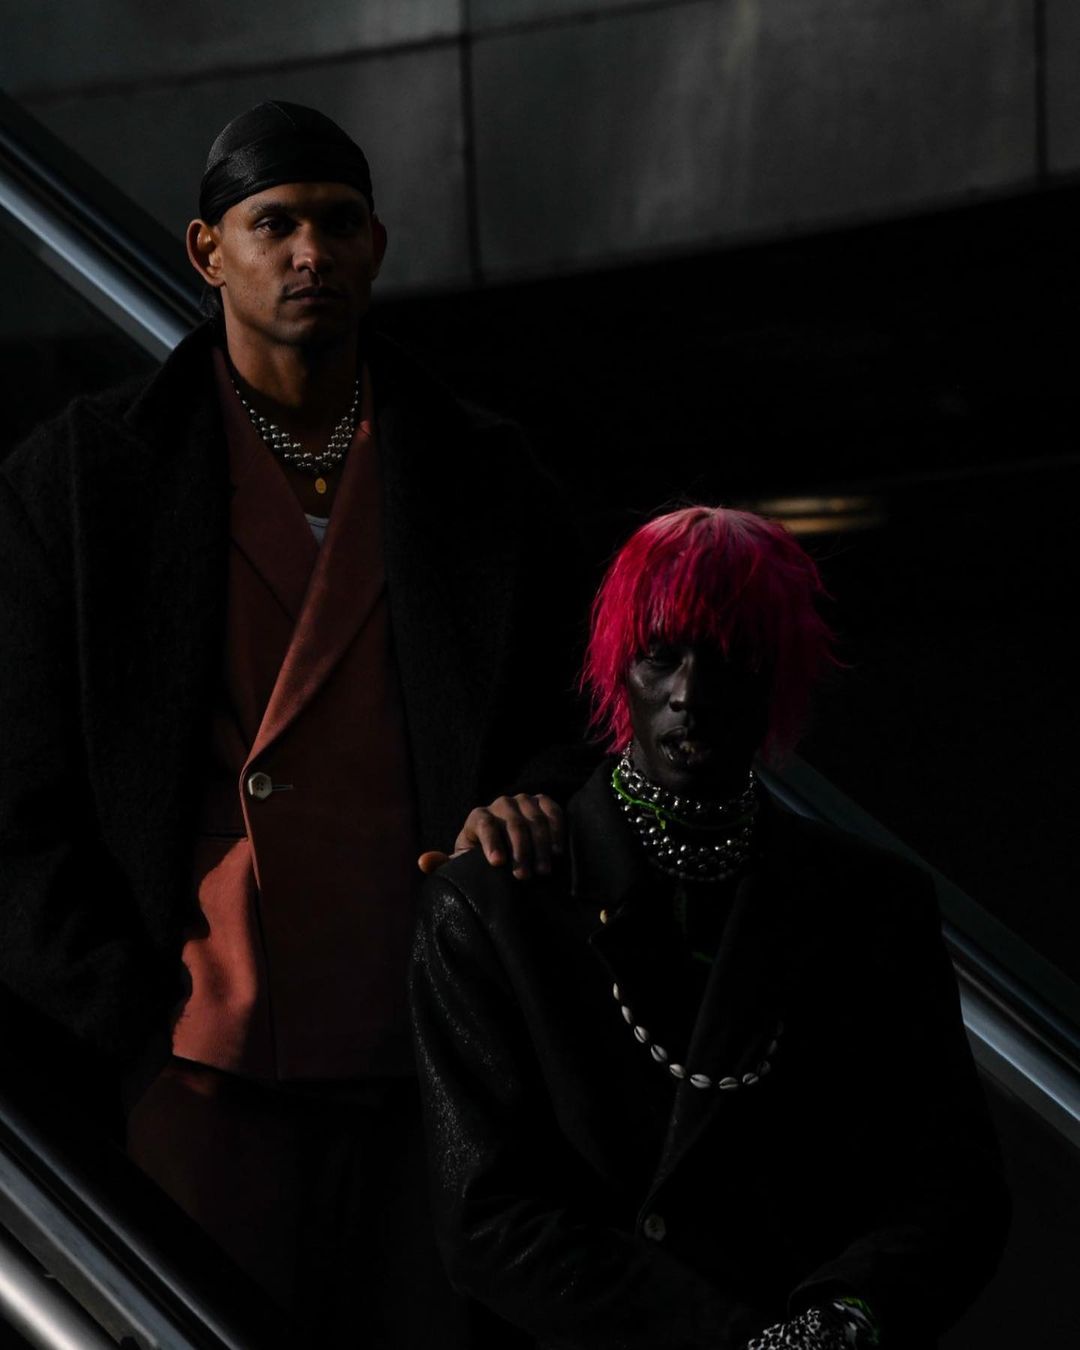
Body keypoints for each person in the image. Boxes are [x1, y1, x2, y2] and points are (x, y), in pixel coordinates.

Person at [0, 100, 582, 1347]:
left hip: (430, 1046)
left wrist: (532, 798)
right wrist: (123, 1010)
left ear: (378, 245)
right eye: (274, 224)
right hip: (203, 1053)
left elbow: (579, 717)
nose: (311, 251)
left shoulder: (486, 473)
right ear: (208, 251)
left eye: (338, 222)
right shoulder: (83, 478)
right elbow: (15, 787)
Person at [411, 505, 1010, 1350]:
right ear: (618, 663)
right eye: (661, 654)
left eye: (732, 656)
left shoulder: (874, 903)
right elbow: (487, 1217)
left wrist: (846, 1315)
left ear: (778, 675)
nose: (691, 694)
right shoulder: (490, 906)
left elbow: (954, 1183)